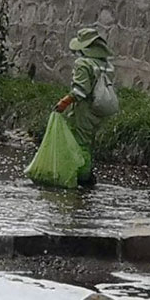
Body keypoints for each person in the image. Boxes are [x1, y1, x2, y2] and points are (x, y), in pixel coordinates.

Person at [54, 28, 116, 187]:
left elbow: (81, 91)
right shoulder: (105, 65)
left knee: (80, 141)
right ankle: (86, 173)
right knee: (89, 142)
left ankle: (82, 176)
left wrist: (64, 102)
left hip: (85, 109)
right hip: (99, 109)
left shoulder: (83, 64)